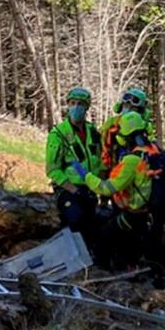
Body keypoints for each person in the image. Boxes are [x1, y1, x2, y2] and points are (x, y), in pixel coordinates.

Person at [79, 110, 165, 283]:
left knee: (105, 234)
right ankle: (149, 273)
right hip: (156, 215)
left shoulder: (132, 161)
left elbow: (106, 188)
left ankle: (102, 274)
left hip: (137, 215)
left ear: (125, 137)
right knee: (145, 248)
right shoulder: (157, 151)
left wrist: (85, 175)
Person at [46, 86, 103, 242]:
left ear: (86, 107)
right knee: (75, 222)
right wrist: (74, 190)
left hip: (90, 188)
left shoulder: (93, 132)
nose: (76, 107)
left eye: (80, 103)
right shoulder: (58, 134)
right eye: (72, 103)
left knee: (92, 228)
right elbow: (52, 169)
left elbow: (99, 160)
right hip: (68, 189)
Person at [100, 86, 151, 171]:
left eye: (133, 108)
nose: (128, 109)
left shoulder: (145, 127)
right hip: (114, 169)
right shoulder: (112, 123)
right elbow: (101, 141)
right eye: (126, 105)